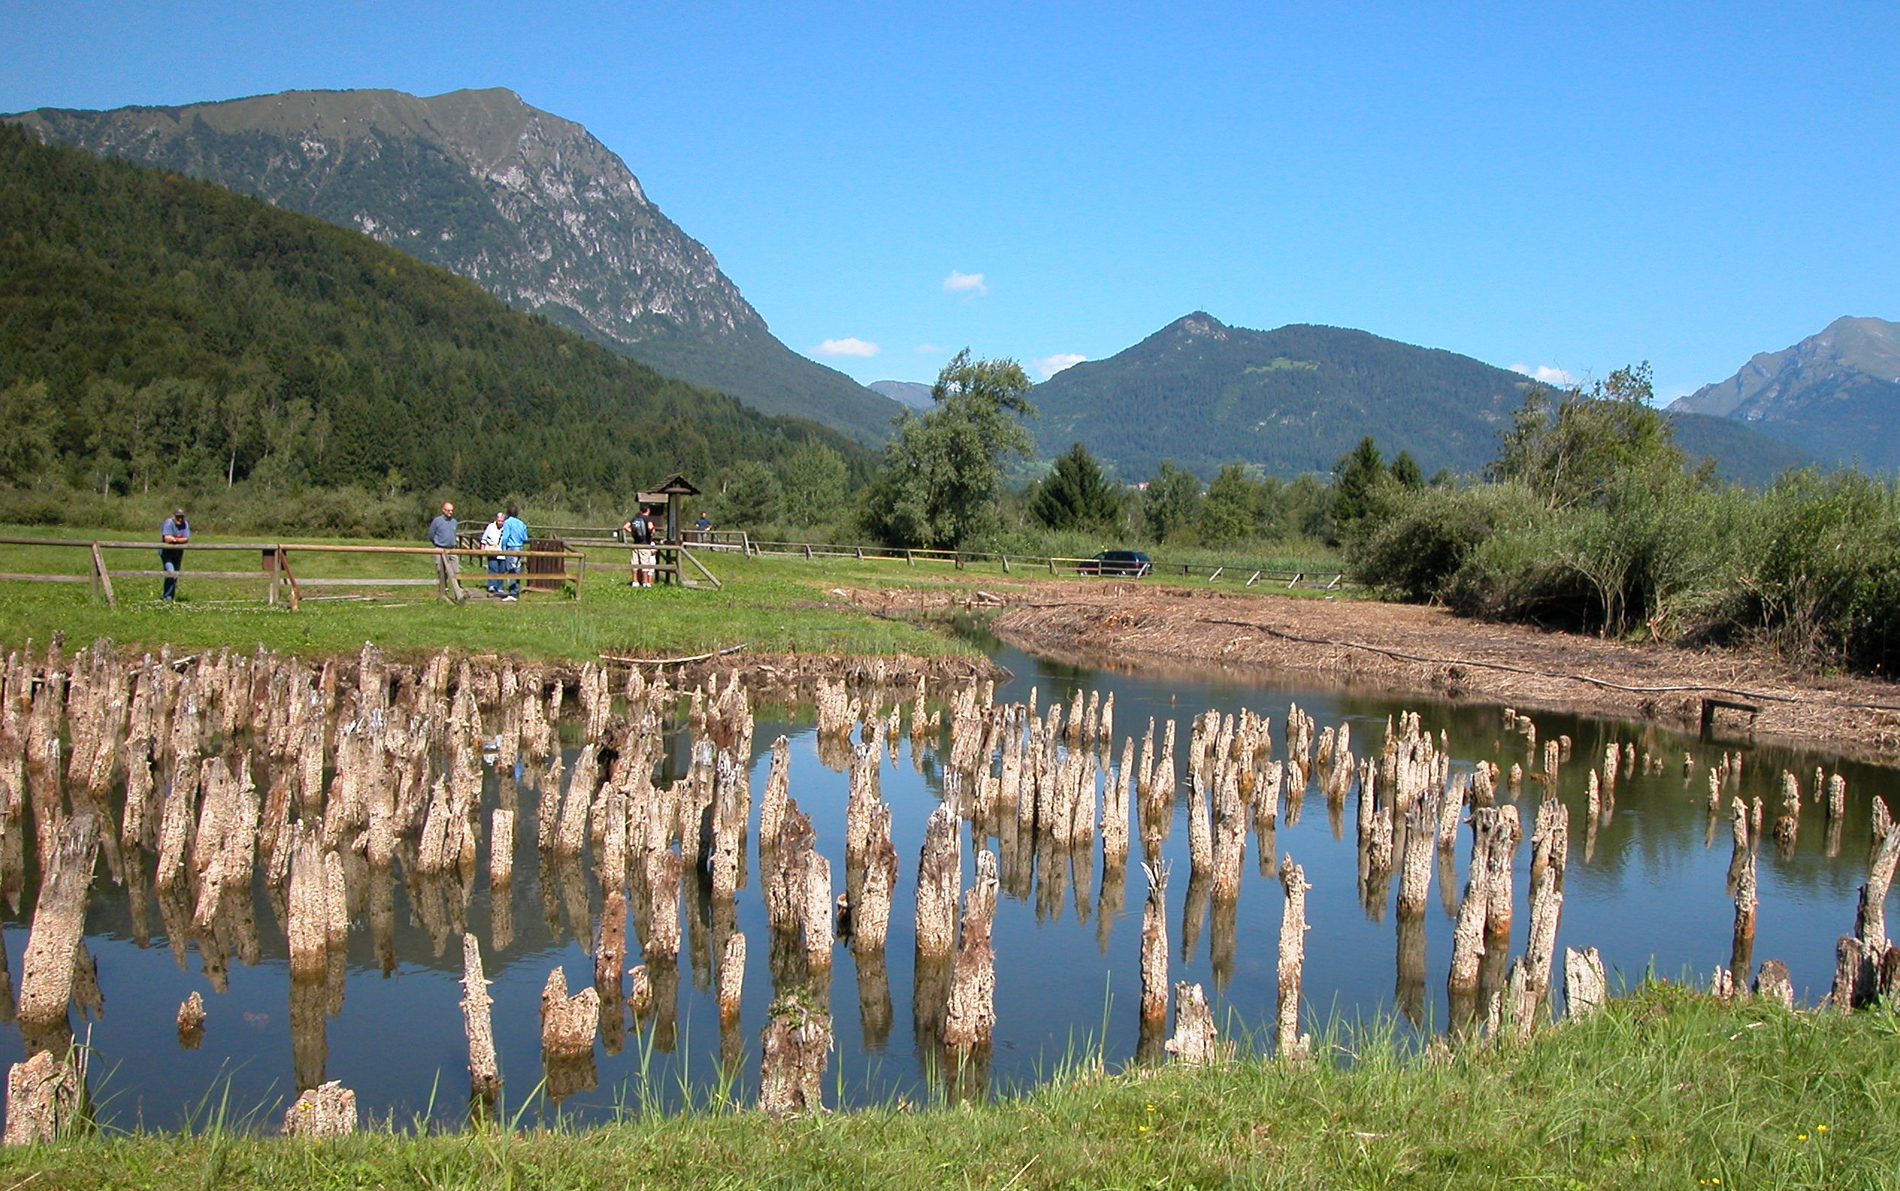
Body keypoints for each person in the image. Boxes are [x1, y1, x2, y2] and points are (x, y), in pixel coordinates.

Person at [428, 501, 466, 603]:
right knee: (441, 570)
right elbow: (431, 534)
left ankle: (458, 589)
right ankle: (443, 589)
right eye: (448, 510)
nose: (450, 512)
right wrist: (437, 543)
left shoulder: (454, 521)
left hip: (452, 549)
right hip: (439, 548)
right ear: (443, 510)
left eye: (452, 510)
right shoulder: (437, 521)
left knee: (455, 569)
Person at [159, 507, 190, 601]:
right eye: (178, 517)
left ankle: (169, 597)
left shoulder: (185, 524)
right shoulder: (169, 522)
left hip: (178, 552)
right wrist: (178, 540)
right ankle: (167, 597)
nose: (180, 519)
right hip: (167, 552)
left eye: (182, 517)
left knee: (175, 575)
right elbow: (167, 538)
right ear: (173, 516)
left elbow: (186, 539)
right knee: (170, 572)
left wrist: (174, 540)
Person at [499, 503, 529, 600]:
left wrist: (503, 549)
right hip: (520, 548)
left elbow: (505, 537)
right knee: (517, 569)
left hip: (511, 548)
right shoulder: (521, 523)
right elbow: (525, 538)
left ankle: (513, 593)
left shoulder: (508, 522)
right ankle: (516, 591)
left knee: (511, 570)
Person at [623, 504, 657, 587]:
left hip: (636, 544)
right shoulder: (648, 519)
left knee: (635, 563)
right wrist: (652, 531)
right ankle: (645, 582)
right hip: (645, 544)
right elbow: (650, 527)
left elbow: (625, 526)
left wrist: (632, 531)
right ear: (648, 510)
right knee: (644, 563)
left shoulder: (635, 519)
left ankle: (635, 581)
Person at [480, 511, 505, 596]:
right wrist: (482, 548)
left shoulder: (506, 528)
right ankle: (492, 585)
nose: (500, 523)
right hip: (492, 549)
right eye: (499, 521)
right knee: (493, 568)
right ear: (496, 520)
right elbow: (484, 538)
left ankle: (500, 587)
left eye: (502, 521)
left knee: (501, 569)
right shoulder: (490, 527)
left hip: (502, 551)